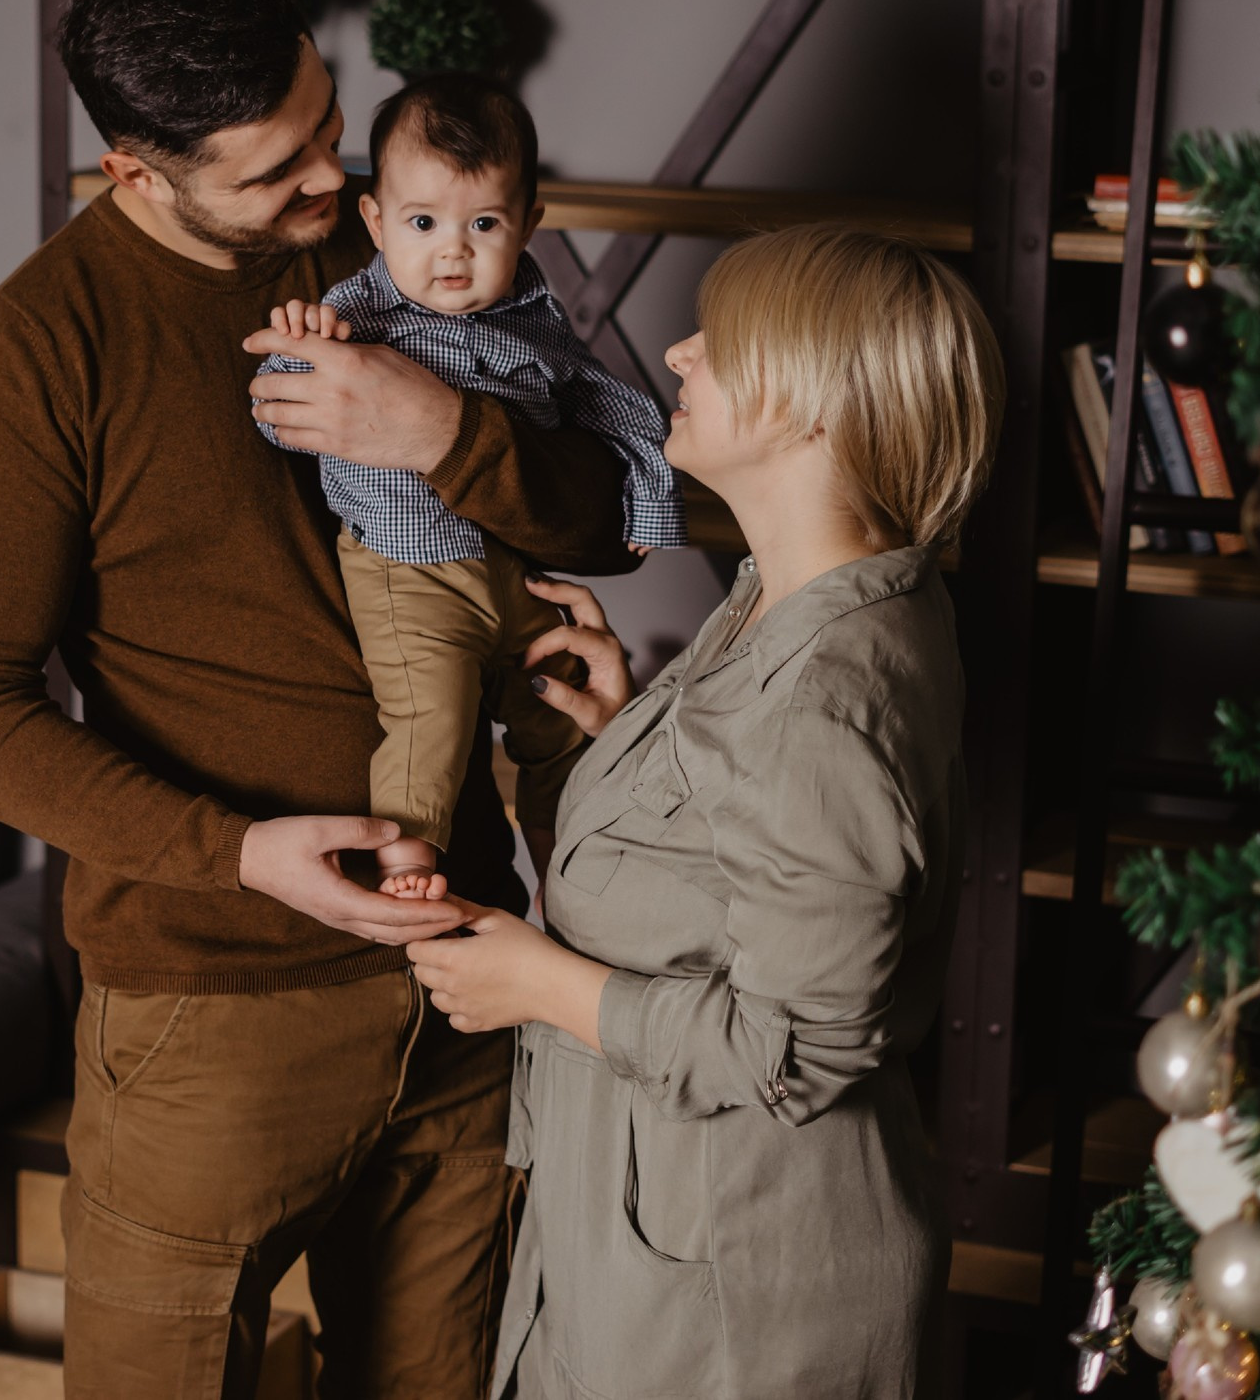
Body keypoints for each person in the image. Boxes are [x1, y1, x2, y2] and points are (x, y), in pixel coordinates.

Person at [0, 0, 638, 1400]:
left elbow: (616, 510)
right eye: (271, 175)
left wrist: (436, 428)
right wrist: (237, 852)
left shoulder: (414, 248)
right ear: (136, 172)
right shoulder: (36, 353)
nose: (325, 194)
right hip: (214, 1018)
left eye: (324, 130)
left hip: (465, 974)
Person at [406, 224, 1005, 1400]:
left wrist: (538, 987)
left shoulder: (825, 692)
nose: (678, 353)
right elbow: (749, 834)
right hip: (663, 1253)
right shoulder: (801, 593)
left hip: (742, 1311)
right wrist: (634, 741)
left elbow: (801, 1047)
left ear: (813, 407)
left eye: (720, 343)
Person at [254, 72, 685, 898]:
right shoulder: (356, 314)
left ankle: (571, 859)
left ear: (528, 226)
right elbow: (279, 414)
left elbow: (610, 400)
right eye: (422, 222)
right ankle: (409, 857)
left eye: (484, 222)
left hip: (515, 564)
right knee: (431, 717)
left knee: (558, 711)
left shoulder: (536, 318)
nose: (453, 249)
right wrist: (299, 346)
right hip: (406, 571)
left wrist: (649, 496)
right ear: (375, 222)